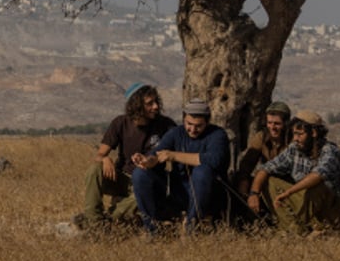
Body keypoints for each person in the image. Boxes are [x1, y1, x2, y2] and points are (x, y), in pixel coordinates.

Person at [75, 82, 175, 229]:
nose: (156, 107)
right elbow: (99, 155)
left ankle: (103, 223)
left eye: (156, 101)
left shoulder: (166, 125)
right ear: (136, 105)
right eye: (149, 103)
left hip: (148, 181)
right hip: (122, 178)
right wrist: (105, 159)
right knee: (94, 170)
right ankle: (93, 219)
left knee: (142, 196)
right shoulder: (120, 123)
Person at [131, 98, 230, 234]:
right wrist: (147, 161)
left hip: (208, 195)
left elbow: (214, 160)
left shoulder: (218, 135)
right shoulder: (176, 133)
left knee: (202, 171)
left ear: (207, 122)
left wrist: (174, 155)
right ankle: (152, 229)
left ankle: (192, 228)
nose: (193, 129)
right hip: (180, 192)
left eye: (198, 126)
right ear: (184, 119)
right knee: (140, 174)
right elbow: (158, 153)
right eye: (189, 124)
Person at [248, 110, 340, 234]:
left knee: (317, 187)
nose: (296, 139)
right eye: (294, 134)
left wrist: (288, 192)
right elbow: (265, 168)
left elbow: (317, 175)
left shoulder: (331, 151)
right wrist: (254, 193)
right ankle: (293, 229)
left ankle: (319, 227)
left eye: (300, 134)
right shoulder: (294, 149)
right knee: (268, 181)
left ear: (313, 133)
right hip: (306, 203)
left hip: (332, 211)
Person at [234, 100, 293, 215]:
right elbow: (247, 164)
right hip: (265, 179)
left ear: (285, 123)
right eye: (269, 123)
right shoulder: (262, 137)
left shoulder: (292, 140)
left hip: (288, 183)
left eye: (277, 123)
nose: (272, 127)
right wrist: (243, 182)